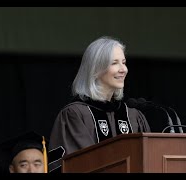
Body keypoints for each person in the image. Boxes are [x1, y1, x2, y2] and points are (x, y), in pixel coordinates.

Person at [48, 36, 151, 173]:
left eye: (124, 62)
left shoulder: (133, 116)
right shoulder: (76, 115)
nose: (123, 69)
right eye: (114, 63)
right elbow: (75, 165)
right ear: (96, 69)